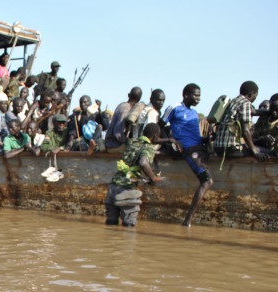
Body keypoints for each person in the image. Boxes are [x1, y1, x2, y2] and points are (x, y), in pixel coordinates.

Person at [164, 83, 212, 227]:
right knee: (207, 181)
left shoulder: (194, 113)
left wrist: (207, 139)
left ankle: (188, 220)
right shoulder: (174, 108)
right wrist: (170, 143)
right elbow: (160, 126)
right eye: (196, 95)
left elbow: (195, 136)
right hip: (190, 150)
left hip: (198, 147)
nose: (198, 99)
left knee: (207, 180)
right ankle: (187, 221)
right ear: (186, 95)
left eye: (199, 96)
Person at [104, 123, 163, 227]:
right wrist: (153, 178)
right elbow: (143, 162)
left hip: (113, 187)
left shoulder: (132, 142)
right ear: (155, 137)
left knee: (111, 223)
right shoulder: (148, 147)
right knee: (129, 226)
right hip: (127, 190)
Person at [213, 81, 269, 161]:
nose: (255, 98)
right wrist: (255, 152)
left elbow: (253, 112)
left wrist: (269, 112)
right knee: (266, 151)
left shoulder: (233, 102)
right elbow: (245, 132)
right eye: (255, 96)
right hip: (230, 150)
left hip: (218, 148)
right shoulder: (246, 103)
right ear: (250, 94)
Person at [105, 87, 142, 152]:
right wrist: (127, 141)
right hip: (114, 145)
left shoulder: (121, 105)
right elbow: (118, 133)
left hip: (110, 143)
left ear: (128, 95)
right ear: (138, 100)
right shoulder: (126, 109)